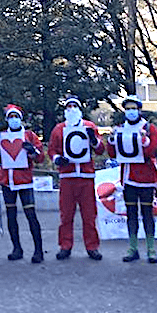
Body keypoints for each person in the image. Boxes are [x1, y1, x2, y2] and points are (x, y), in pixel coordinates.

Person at [48, 96, 107, 260]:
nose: (72, 109)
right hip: (67, 176)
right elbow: (52, 150)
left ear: (80, 109)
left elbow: (101, 150)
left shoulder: (90, 126)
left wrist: (93, 140)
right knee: (66, 215)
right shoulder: (59, 129)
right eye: (69, 106)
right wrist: (57, 159)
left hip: (86, 176)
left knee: (89, 216)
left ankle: (92, 246)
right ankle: (65, 245)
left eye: (75, 106)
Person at [0, 104, 45, 263]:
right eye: (10, 117)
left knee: (31, 215)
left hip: (24, 181)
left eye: (16, 117)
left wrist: (32, 150)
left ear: (21, 118)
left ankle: (38, 250)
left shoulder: (29, 135)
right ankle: (16, 248)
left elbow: (40, 158)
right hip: (7, 182)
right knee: (11, 216)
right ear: (7, 120)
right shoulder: (2, 136)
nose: (14, 120)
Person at [107, 95, 157, 263]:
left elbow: (153, 150)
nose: (130, 111)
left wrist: (144, 139)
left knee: (147, 213)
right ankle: (133, 248)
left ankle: (151, 249)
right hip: (128, 178)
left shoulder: (149, 127)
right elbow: (112, 153)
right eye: (127, 108)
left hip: (146, 178)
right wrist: (111, 139)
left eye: (133, 108)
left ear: (139, 109)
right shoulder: (121, 128)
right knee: (131, 214)